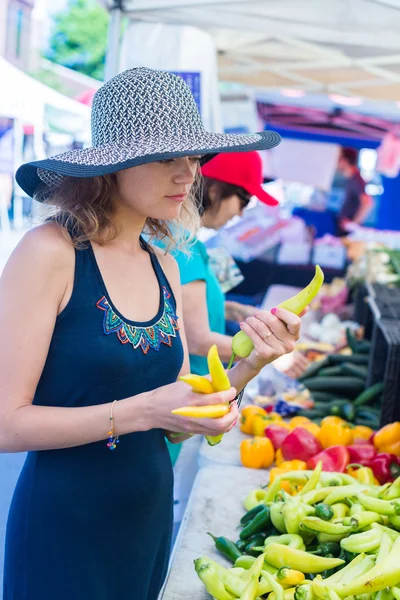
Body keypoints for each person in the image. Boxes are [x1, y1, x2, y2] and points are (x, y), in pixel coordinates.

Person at [0, 68, 302, 600]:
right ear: (113, 165)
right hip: (65, 529)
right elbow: (5, 424)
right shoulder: (50, 252)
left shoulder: (163, 262)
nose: (189, 174)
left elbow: (179, 423)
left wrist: (251, 365)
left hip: (146, 522)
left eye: (195, 158)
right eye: (169, 157)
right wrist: (143, 409)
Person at [166, 151, 310, 380]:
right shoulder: (182, 246)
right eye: (244, 201)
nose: (241, 213)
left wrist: (235, 310)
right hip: (191, 386)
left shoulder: (183, 240)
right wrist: (270, 353)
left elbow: (178, 308)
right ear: (215, 191)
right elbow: (196, 340)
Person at [337, 147, 373, 235]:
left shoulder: (357, 180)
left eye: (338, 159)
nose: (336, 163)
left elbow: (367, 202)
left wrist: (353, 224)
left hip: (349, 232)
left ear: (344, 160)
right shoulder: (351, 179)